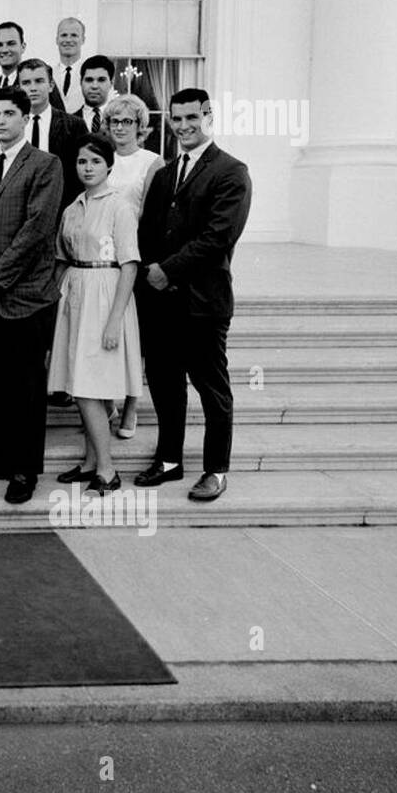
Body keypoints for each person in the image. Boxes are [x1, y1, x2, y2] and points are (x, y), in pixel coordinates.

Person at [135, 88, 252, 502]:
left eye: (192, 118)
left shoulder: (231, 171)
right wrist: (150, 271)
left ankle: (216, 470)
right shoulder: (166, 173)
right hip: (160, 303)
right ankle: (169, 461)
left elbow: (218, 237)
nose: (184, 126)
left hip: (203, 302)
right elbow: (148, 230)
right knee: (166, 387)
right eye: (177, 119)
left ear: (208, 116)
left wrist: (167, 270)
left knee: (212, 390)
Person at [0, 89, 64, 505]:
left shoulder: (45, 165)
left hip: (24, 297)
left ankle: (24, 470)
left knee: (26, 387)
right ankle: (1, 459)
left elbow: (36, 231)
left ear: (25, 118)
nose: (0, 120)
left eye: (9, 114)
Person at [48, 133, 144, 495]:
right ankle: (90, 462)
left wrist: (115, 319)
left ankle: (107, 468)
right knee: (80, 381)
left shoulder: (119, 206)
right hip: (76, 291)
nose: (87, 168)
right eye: (82, 162)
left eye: (95, 161)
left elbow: (130, 265)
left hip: (106, 293)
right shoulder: (72, 208)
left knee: (91, 386)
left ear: (108, 165)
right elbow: (61, 258)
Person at [103, 92, 165, 439]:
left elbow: (155, 216)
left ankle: (131, 403)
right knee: (106, 330)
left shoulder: (151, 162)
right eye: (115, 121)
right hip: (102, 260)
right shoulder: (100, 158)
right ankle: (108, 398)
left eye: (128, 121)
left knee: (134, 338)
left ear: (140, 126)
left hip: (134, 257)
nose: (121, 127)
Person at [16, 58, 89, 208]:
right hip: (18, 207)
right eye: (26, 83)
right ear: (18, 87)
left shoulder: (74, 125)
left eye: (39, 81)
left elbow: (82, 173)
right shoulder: (11, 125)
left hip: (61, 207)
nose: (33, 88)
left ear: (51, 85)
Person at [54, 17, 88, 113]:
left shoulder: (92, 74)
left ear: (83, 40)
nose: (68, 40)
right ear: (57, 40)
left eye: (74, 35)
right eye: (64, 35)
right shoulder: (48, 74)